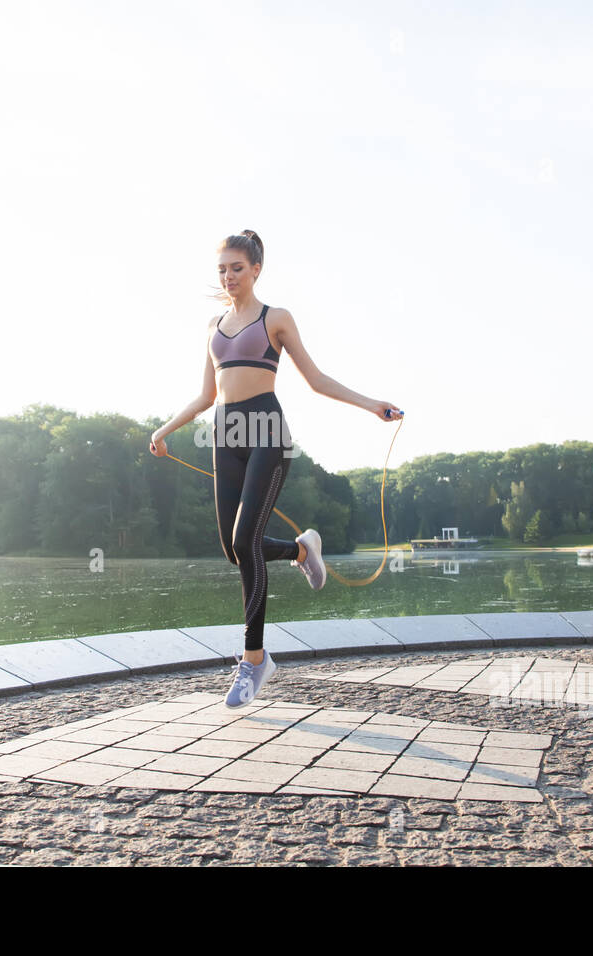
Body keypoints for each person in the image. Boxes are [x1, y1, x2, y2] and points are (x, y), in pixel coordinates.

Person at [148, 229, 404, 708]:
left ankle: (254, 660)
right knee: (234, 550)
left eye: (237, 268)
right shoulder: (212, 326)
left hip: (267, 431)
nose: (228, 276)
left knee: (246, 542)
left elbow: (315, 378)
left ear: (256, 270)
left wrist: (372, 405)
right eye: (222, 268)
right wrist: (165, 430)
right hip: (226, 437)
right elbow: (207, 395)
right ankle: (302, 550)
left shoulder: (275, 319)